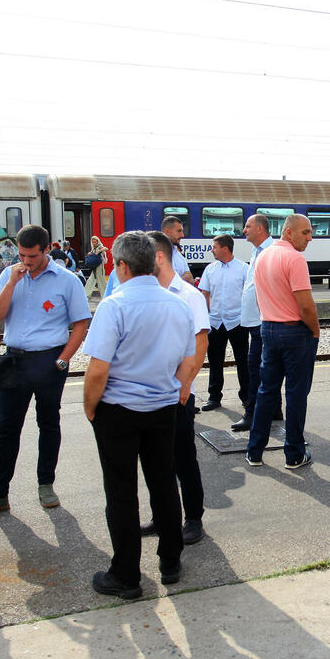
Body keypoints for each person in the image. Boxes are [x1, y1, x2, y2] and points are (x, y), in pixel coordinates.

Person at [83, 231, 197, 599]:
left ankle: (126, 575)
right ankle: (170, 560)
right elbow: (187, 361)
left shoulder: (114, 306)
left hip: (118, 411)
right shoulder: (178, 305)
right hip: (163, 410)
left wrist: (90, 409)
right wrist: (170, 390)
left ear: (121, 265)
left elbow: (98, 370)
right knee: (163, 483)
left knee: (121, 491)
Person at [0, 225, 91, 520]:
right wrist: (12, 283)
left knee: (48, 424)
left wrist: (64, 359)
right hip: (15, 361)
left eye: (31, 256)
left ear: (45, 251)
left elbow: (81, 323)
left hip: (49, 361)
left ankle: (46, 484)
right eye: (21, 254)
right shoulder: (9, 275)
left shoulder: (66, 281)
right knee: (6, 429)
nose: (25, 260)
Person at [140, 232, 210, 545]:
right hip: (149, 394)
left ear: (158, 257)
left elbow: (200, 343)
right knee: (157, 462)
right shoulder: (145, 292)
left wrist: (183, 386)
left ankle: (194, 518)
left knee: (183, 458)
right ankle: (162, 514)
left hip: (178, 393)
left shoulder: (189, 295)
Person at [245, 214, 320, 469]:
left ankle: (254, 451)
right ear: (288, 232)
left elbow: (258, 298)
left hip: (268, 329)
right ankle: (294, 454)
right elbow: (306, 306)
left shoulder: (262, 257)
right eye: (305, 233)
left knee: (267, 390)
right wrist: (316, 331)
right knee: (296, 394)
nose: (310, 238)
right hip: (294, 333)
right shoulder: (295, 259)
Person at [232, 214, 283, 432]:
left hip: (264, 320)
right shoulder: (257, 251)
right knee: (268, 367)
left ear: (260, 229)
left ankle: (252, 413)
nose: (244, 230)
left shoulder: (271, 252)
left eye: (248, 226)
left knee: (256, 366)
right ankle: (275, 410)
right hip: (256, 319)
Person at [198, 234, 250, 412]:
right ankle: (214, 397)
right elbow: (204, 293)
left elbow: (248, 295)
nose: (212, 250)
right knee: (215, 361)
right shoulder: (210, 269)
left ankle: (247, 396)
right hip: (216, 322)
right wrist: (206, 317)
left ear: (225, 248)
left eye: (214, 247)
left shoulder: (244, 269)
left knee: (243, 361)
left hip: (237, 322)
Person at [162, 216, 194, 284]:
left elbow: (191, 280)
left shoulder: (179, 256)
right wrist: (183, 279)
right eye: (179, 231)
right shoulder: (155, 255)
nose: (182, 235)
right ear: (167, 231)